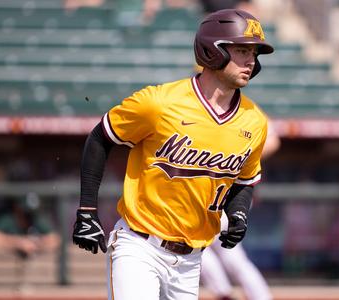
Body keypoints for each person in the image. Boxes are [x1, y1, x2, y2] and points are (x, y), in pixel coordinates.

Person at [72, 8, 274, 300]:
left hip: (191, 261)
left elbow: (244, 180)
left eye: (254, 53)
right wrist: (87, 211)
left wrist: (239, 213)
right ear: (212, 51)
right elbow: (101, 137)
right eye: (242, 50)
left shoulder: (254, 120)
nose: (250, 60)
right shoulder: (159, 102)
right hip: (139, 245)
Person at [200, 125, 279, 300]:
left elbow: (273, 142)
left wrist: (238, 157)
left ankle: (224, 293)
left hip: (230, 196)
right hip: (213, 193)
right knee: (228, 254)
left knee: (198, 246)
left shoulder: (248, 111)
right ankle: (255, 295)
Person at [0, 194, 60, 258]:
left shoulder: (36, 218)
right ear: (16, 207)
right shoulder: (8, 219)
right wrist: (19, 243)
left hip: (35, 269)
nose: (28, 215)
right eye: (25, 211)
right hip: (7, 267)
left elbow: (55, 239)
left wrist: (37, 244)